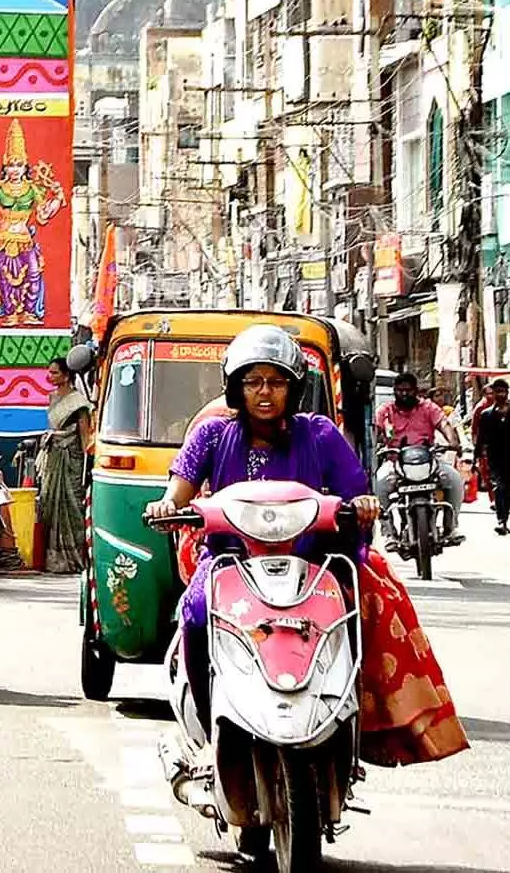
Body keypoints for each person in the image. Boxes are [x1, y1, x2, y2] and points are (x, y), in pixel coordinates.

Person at [145, 325, 467, 766]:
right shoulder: (211, 436)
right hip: (230, 564)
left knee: (356, 611)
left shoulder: (320, 435)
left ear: (293, 389)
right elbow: (177, 493)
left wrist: (365, 504)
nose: (264, 392)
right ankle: (206, 733)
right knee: (196, 616)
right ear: (235, 388)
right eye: (252, 381)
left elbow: (356, 493)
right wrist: (166, 507)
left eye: (276, 382)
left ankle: (347, 733)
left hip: (311, 562)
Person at [375, 370, 466, 545]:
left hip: (429, 460)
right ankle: (389, 532)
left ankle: (451, 527)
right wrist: (378, 444)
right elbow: (375, 432)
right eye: (400, 390)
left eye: (408, 390)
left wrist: (453, 442)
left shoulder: (428, 407)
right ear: (394, 391)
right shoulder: (386, 411)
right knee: (380, 484)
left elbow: (445, 425)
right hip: (397, 462)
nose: (404, 394)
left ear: (416, 391)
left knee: (454, 480)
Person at [39, 354, 94, 574]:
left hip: (72, 458)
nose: (50, 376)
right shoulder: (52, 398)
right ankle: (55, 560)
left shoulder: (78, 402)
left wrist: (87, 464)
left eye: (55, 372)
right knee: (50, 504)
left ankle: (76, 559)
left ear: (67, 375)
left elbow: (84, 435)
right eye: (49, 372)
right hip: (54, 456)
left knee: (73, 506)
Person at [472, 378, 510, 536]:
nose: (501, 395)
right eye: (498, 392)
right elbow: (481, 438)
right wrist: (476, 457)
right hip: (496, 458)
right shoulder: (486, 415)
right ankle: (502, 520)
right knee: (500, 488)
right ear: (493, 394)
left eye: (503, 391)